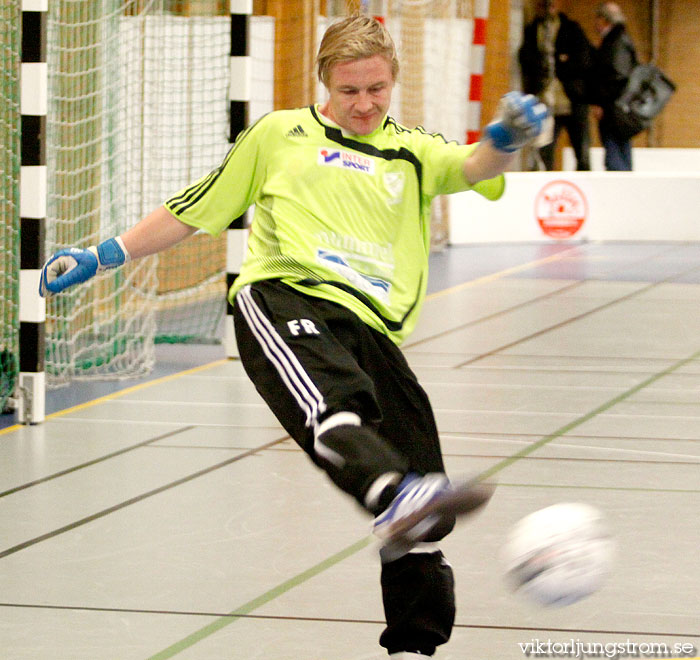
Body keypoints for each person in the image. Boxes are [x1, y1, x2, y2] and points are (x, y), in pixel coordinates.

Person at [39, 15, 546, 659]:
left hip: (373, 329)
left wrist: (506, 136)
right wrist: (104, 254)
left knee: (427, 504)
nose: (364, 104)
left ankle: (415, 644)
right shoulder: (281, 134)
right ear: (324, 83)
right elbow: (194, 209)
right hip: (283, 297)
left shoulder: (413, 148)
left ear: (393, 83)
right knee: (336, 413)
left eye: (377, 89)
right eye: (349, 90)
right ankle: (390, 494)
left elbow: (476, 165)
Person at [518, 0, 593, 170]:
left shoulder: (571, 29)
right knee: (545, 151)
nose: (547, 9)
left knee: (582, 152)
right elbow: (526, 59)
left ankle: (586, 187)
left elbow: (583, 59)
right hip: (545, 100)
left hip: (571, 99)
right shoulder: (532, 31)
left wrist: (562, 64)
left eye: (551, 5)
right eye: (544, 5)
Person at [589, 2, 638, 171]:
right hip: (619, 109)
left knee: (615, 155)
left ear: (603, 20)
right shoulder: (620, 40)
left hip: (614, 110)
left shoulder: (615, 42)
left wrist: (601, 102)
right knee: (619, 151)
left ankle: (621, 192)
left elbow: (616, 76)